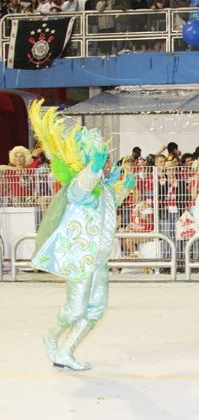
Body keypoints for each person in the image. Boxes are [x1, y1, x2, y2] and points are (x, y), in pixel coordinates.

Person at [28, 100, 134, 371]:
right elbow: (79, 193)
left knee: (97, 309)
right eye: (103, 159)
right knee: (76, 310)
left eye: (107, 159)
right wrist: (93, 171)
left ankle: (65, 351)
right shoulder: (81, 183)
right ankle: (50, 337)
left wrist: (122, 189)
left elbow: (108, 211)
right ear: (89, 161)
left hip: (99, 259)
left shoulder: (104, 190)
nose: (109, 162)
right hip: (80, 259)